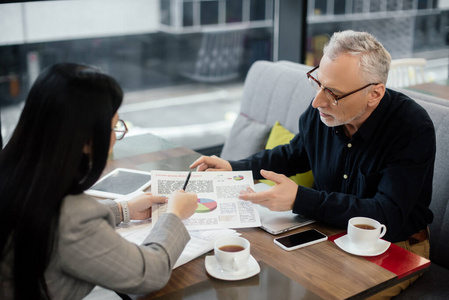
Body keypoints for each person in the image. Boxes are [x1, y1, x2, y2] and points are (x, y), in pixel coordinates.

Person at [190, 30, 435, 299]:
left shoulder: (411, 127)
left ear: (374, 94)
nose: (318, 100)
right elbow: (293, 155)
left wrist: (299, 199)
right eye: (318, 83)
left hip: (393, 245)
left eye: (333, 93)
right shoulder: (324, 110)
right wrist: (234, 167)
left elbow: (385, 214)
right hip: (327, 230)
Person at [0, 63, 198, 300]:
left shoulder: (14, 172)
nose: (115, 137)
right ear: (85, 141)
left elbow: (48, 221)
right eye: (113, 127)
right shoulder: (74, 219)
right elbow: (150, 273)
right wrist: (174, 214)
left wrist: (123, 209)